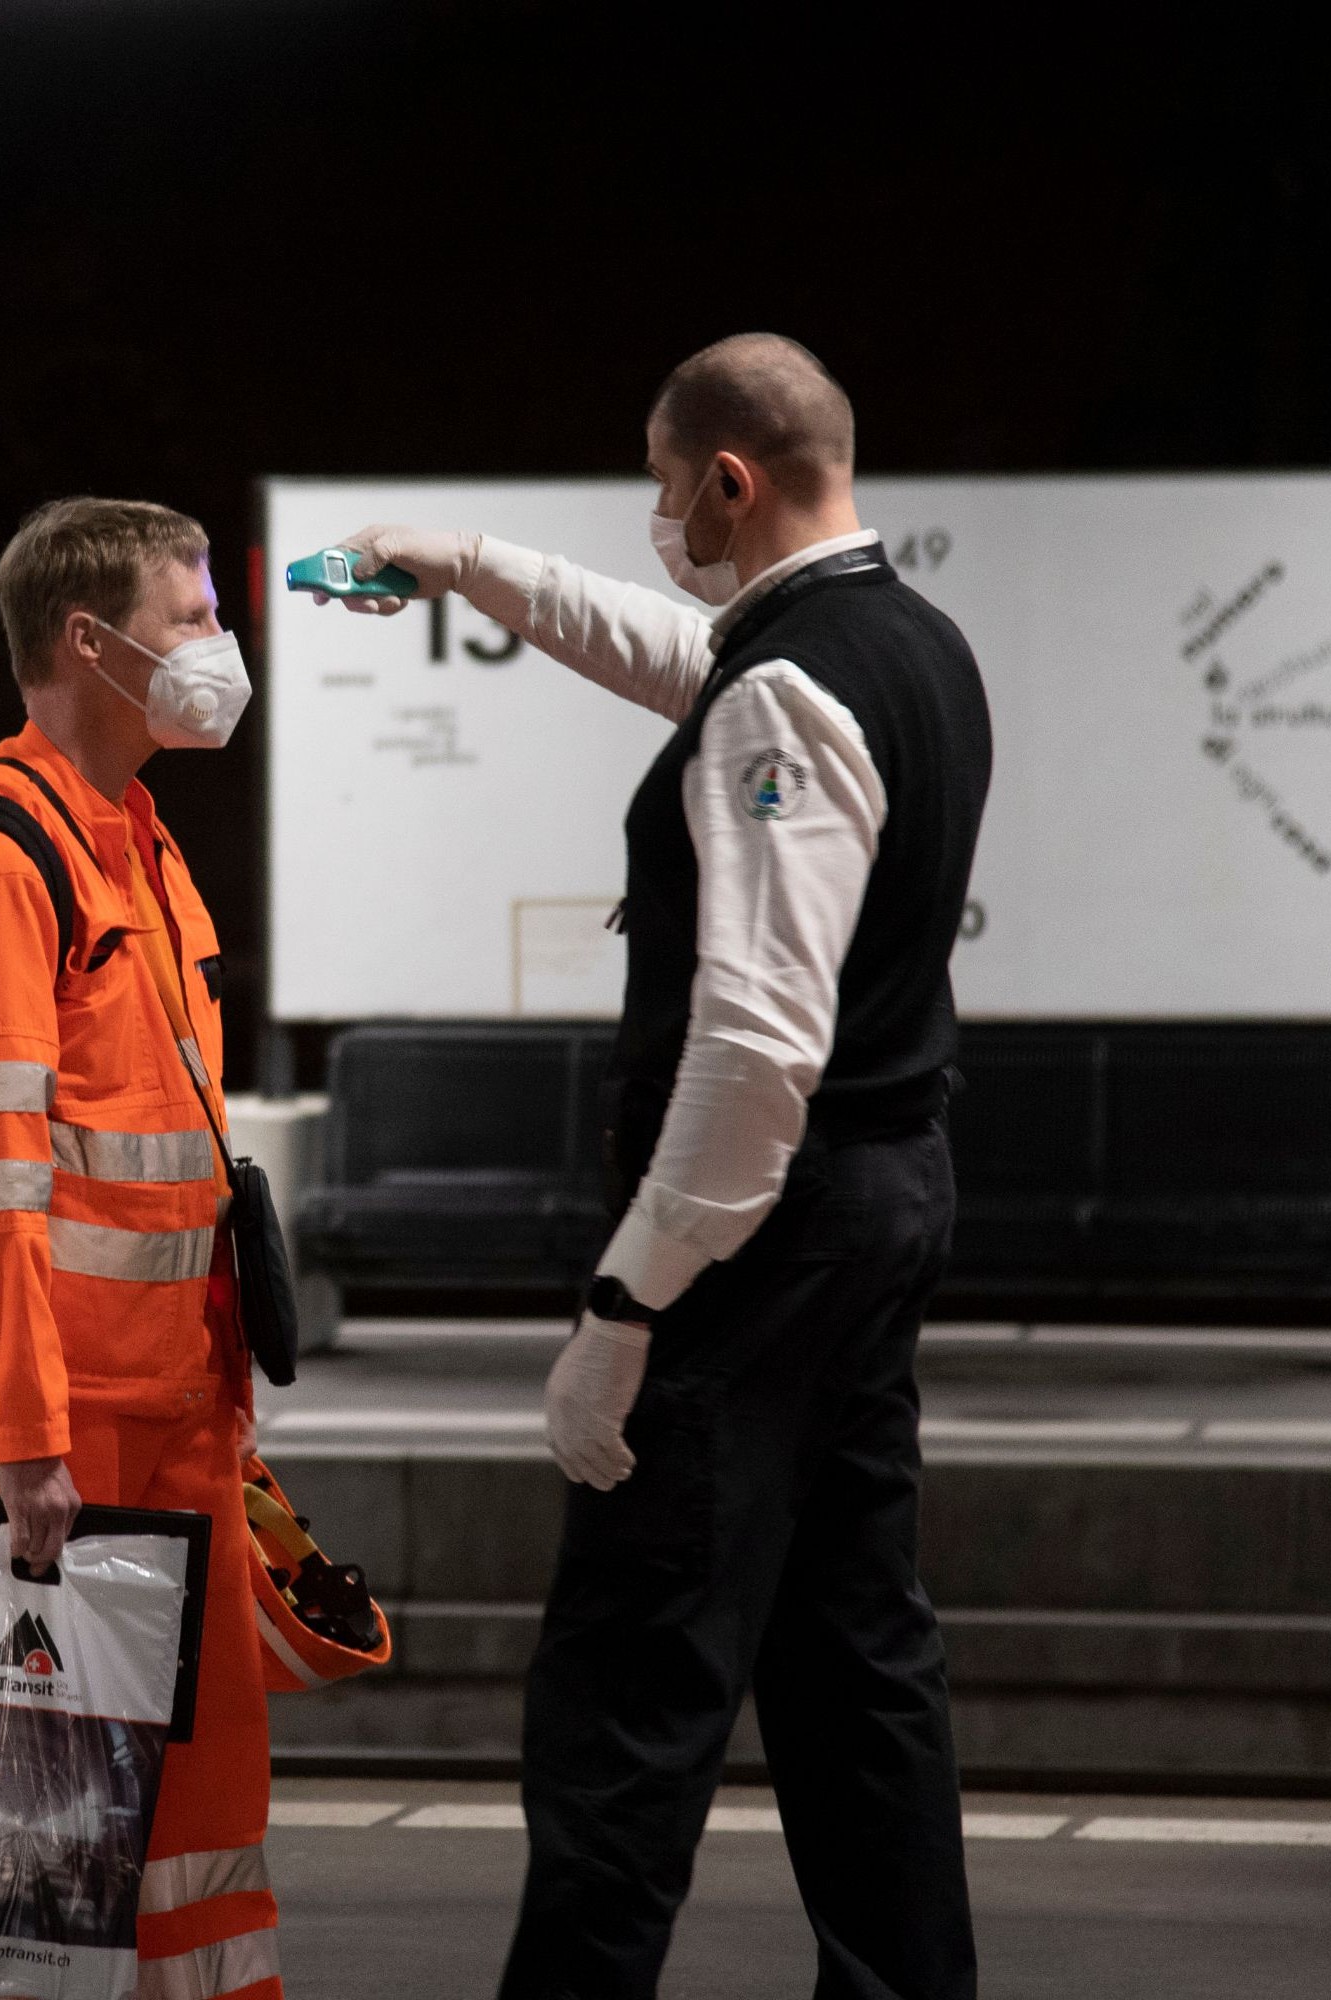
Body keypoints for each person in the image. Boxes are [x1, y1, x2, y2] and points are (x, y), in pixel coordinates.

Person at [318, 332, 992, 2000]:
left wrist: (630, 1299)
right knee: (856, 1670)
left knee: (631, 1683)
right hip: (886, 1198)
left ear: (726, 479)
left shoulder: (788, 688)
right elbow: (686, 654)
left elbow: (756, 1044)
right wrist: (463, 563)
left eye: (658, 479)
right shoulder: (907, 646)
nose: (656, 512)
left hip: (771, 1233)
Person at [0, 497, 281, 2000]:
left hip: (168, 1417)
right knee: (16, 1866)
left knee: (189, 1829)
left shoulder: (137, 842)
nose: (219, 653)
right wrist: (28, 1443)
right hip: (53, 1435)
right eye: (192, 622)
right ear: (85, 641)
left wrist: (220, 1404)